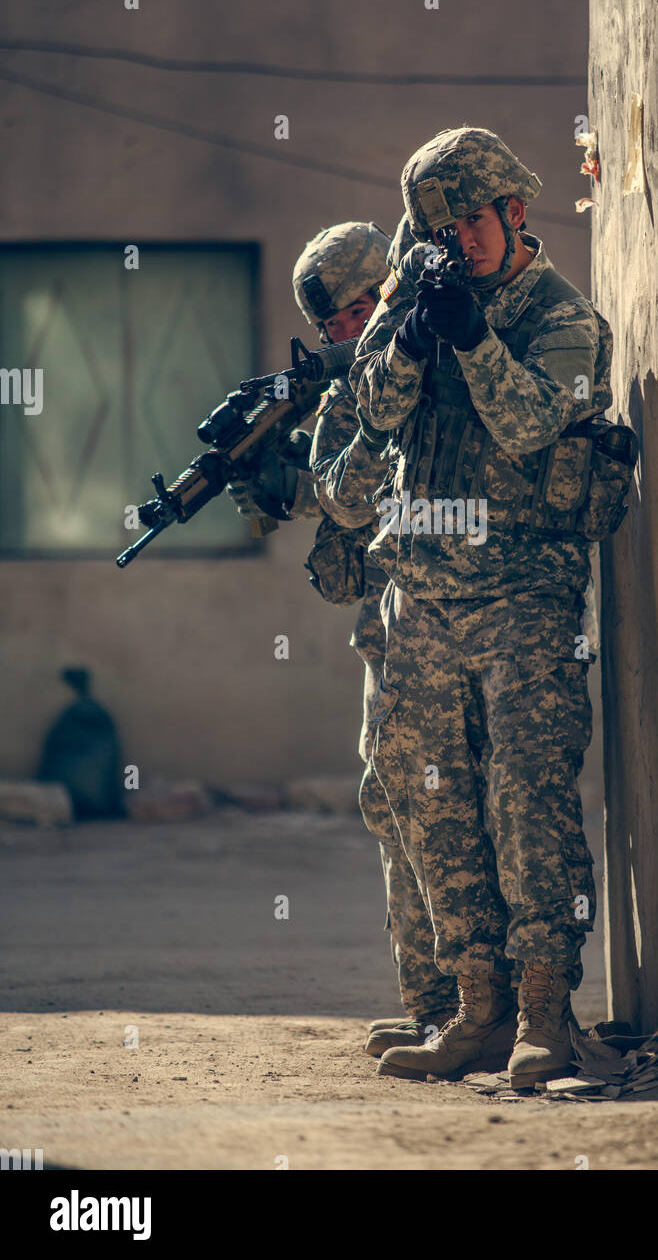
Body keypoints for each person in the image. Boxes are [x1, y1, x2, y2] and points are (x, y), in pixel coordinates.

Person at [334, 127, 613, 1088]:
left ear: (516, 212)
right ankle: (475, 1010)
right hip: (420, 595)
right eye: (441, 226)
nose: (462, 240)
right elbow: (368, 409)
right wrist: (412, 335)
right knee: (425, 802)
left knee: (526, 801)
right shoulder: (416, 289)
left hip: (524, 599)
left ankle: (544, 1012)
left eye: (472, 220)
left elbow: (535, 420)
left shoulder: (562, 317)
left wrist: (471, 337)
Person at [228, 221, 457, 1055]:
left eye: (365, 309)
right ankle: (433, 1004)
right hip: (389, 618)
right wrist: (270, 480)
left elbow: (378, 480)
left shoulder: (431, 352)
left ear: (389, 291)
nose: (352, 332)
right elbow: (339, 489)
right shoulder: (351, 382)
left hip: (457, 616)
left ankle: (483, 1006)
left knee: (451, 814)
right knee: (389, 801)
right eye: (336, 324)